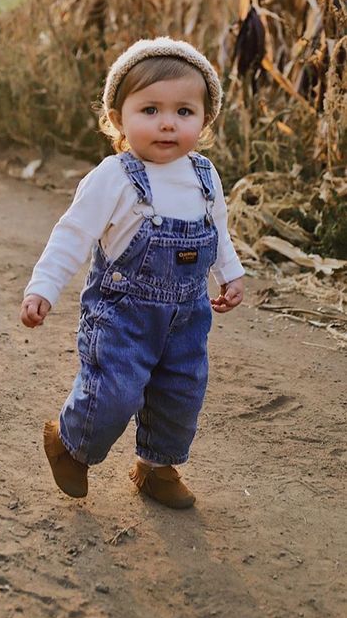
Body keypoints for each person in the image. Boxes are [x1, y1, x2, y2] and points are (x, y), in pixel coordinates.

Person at [20, 37, 244, 509]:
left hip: (187, 315)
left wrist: (230, 271)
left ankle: (156, 467)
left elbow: (217, 228)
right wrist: (43, 287)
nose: (168, 122)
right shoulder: (115, 177)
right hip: (123, 313)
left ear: (205, 119)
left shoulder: (204, 175)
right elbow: (72, 234)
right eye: (150, 110)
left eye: (184, 111)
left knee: (181, 391)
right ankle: (70, 444)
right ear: (119, 117)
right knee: (115, 392)